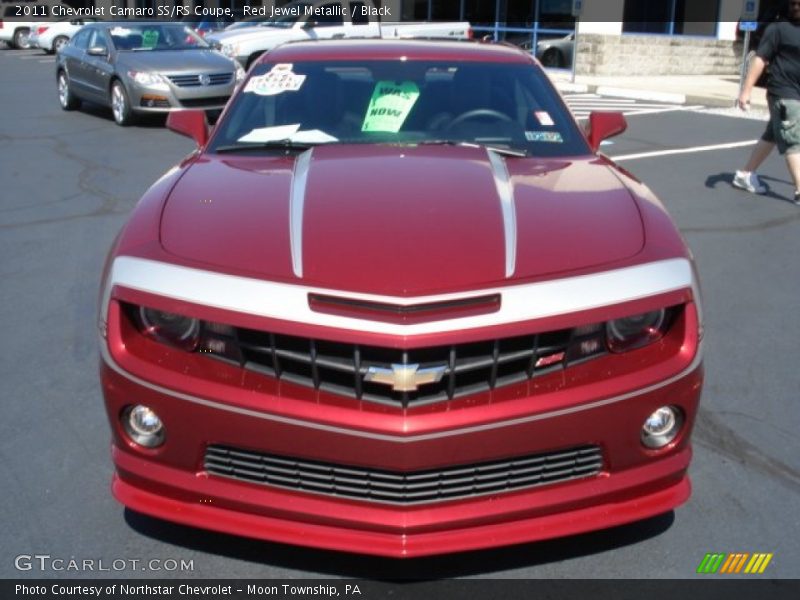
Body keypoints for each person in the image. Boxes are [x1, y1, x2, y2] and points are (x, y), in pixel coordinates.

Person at [734, 0, 800, 205]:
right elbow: (760, 59)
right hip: (783, 93)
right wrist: (745, 91)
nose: (796, 6)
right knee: (793, 140)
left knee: (773, 133)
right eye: (794, 3)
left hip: (794, 93)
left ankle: (745, 174)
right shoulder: (777, 29)